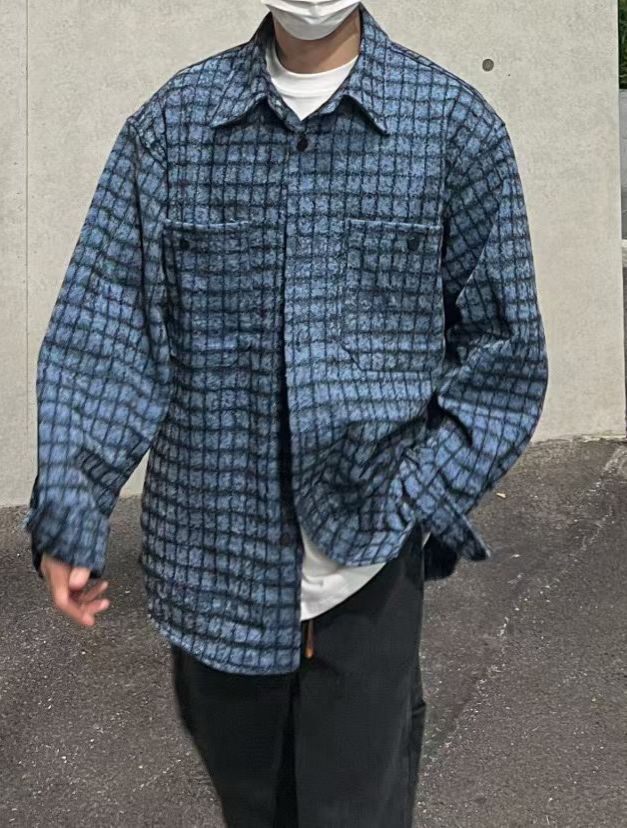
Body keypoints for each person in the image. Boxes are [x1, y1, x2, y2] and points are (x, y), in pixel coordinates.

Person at [22, 1, 549, 825]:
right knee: (249, 805)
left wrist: (418, 493)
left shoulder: (451, 127)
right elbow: (109, 329)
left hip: (367, 561)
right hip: (212, 561)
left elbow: (501, 352)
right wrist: (71, 505)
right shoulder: (175, 126)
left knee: (358, 808)